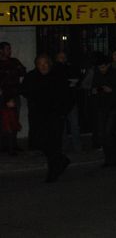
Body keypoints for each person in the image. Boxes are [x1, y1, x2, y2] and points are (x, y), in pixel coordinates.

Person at [20, 54, 73, 182]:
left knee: (53, 144)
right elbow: (24, 90)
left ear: (49, 64)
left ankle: (53, 172)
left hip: (54, 116)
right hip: (38, 117)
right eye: (40, 64)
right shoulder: (31, 77)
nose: (43, 66)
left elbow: (68, 96)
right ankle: (61, 161)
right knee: (41, 142)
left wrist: (62, 112)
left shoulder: (57, 76)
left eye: (45, 63)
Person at [92, 54, 116, 167]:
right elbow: (94, 87)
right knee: (103, 134)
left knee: (108, 132)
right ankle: (109, 158)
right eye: (99, 68)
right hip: (101, 106)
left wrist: (112, 90)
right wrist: (96, 90)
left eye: (103, 67)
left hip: (113, 107)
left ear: (108, 65)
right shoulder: (97, 74)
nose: (101, 70)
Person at [0, 42, 27, 153]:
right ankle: (5, 146)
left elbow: (22, 71)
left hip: (15, 94)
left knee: (14, 120)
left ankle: (13, 144)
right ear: (0, 50)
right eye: (7, 49)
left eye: (10, 49)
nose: (9, 51)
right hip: (3, 96)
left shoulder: (14, 61)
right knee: (4, 120)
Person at [53, 52, 82, 153]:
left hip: (71, 101)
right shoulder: (55, 69)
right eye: (61, 57)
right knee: (63, 127)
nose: (63, 59)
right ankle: (65, 147)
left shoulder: (69, 67)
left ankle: (77, 147)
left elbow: (77, 79)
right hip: (60, 102)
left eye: (64, 57)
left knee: (74, 125)